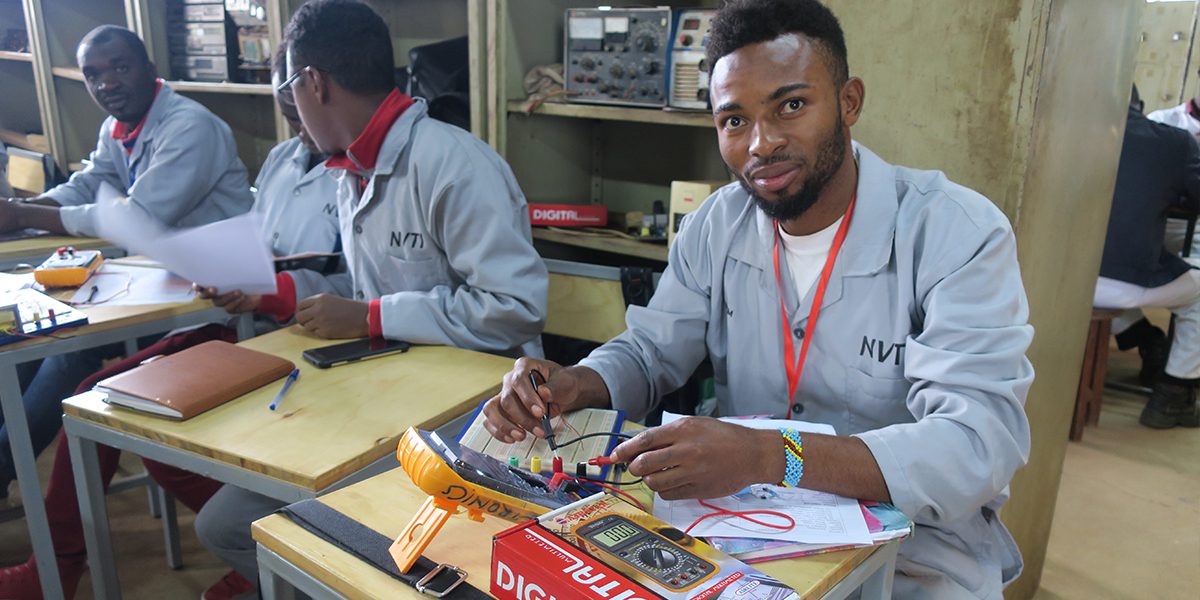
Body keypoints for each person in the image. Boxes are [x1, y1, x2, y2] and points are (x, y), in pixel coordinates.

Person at [483, 0, 1034, 597]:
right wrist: (576, 383)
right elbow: (649, 351)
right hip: (736, 525)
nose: (760, 144)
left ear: (849, 101)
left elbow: (974, 445)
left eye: (791, 106)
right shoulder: (717, 224)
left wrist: (772, 455)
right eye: (734, 121)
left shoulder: (955, 234)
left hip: (916, 550)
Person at [191, 1, 548, 596]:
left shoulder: (453, 164)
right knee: (226, 524)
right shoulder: (350, 168)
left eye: (291, 89)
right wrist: (282, 296)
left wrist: (373, 315)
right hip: (388, 398)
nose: (294, 111)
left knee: (260, 528)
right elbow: (366, 295)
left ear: (313, 83)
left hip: (474, 418)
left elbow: (515, 307)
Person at [0, 47, 342, 600]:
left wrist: (22, 214)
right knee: (112, 399)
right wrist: (232, 270)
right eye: (285, 106)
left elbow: (346, 281)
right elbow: (264, 242)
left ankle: (254, 547)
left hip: (273, 324)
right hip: (238, 308)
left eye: (301, 103)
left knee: (108, 392)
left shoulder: (199, 129)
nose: (296, 119)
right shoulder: (283, 159)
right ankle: (252, 546)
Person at [1094, 87, 1200, 429]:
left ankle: (1145, 338)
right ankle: (1173, 392)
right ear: (1139, 106)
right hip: (1119, 277)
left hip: (1050, 275)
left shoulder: (1062, 131)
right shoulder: (1170, 138)